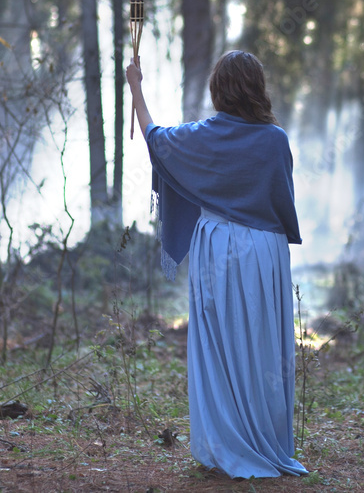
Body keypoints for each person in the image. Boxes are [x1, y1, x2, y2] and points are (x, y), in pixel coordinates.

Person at [126, 50, 308, 479]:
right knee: (262, 347)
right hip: (265, 251)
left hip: (219, 245)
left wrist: (135, 85)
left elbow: (154, 139)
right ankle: (263, 442)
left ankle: (227, 444)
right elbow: (282, 202)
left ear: (219, 90)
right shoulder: (275, 139)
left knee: (219, 345)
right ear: (257, 88)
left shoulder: (202, 136)